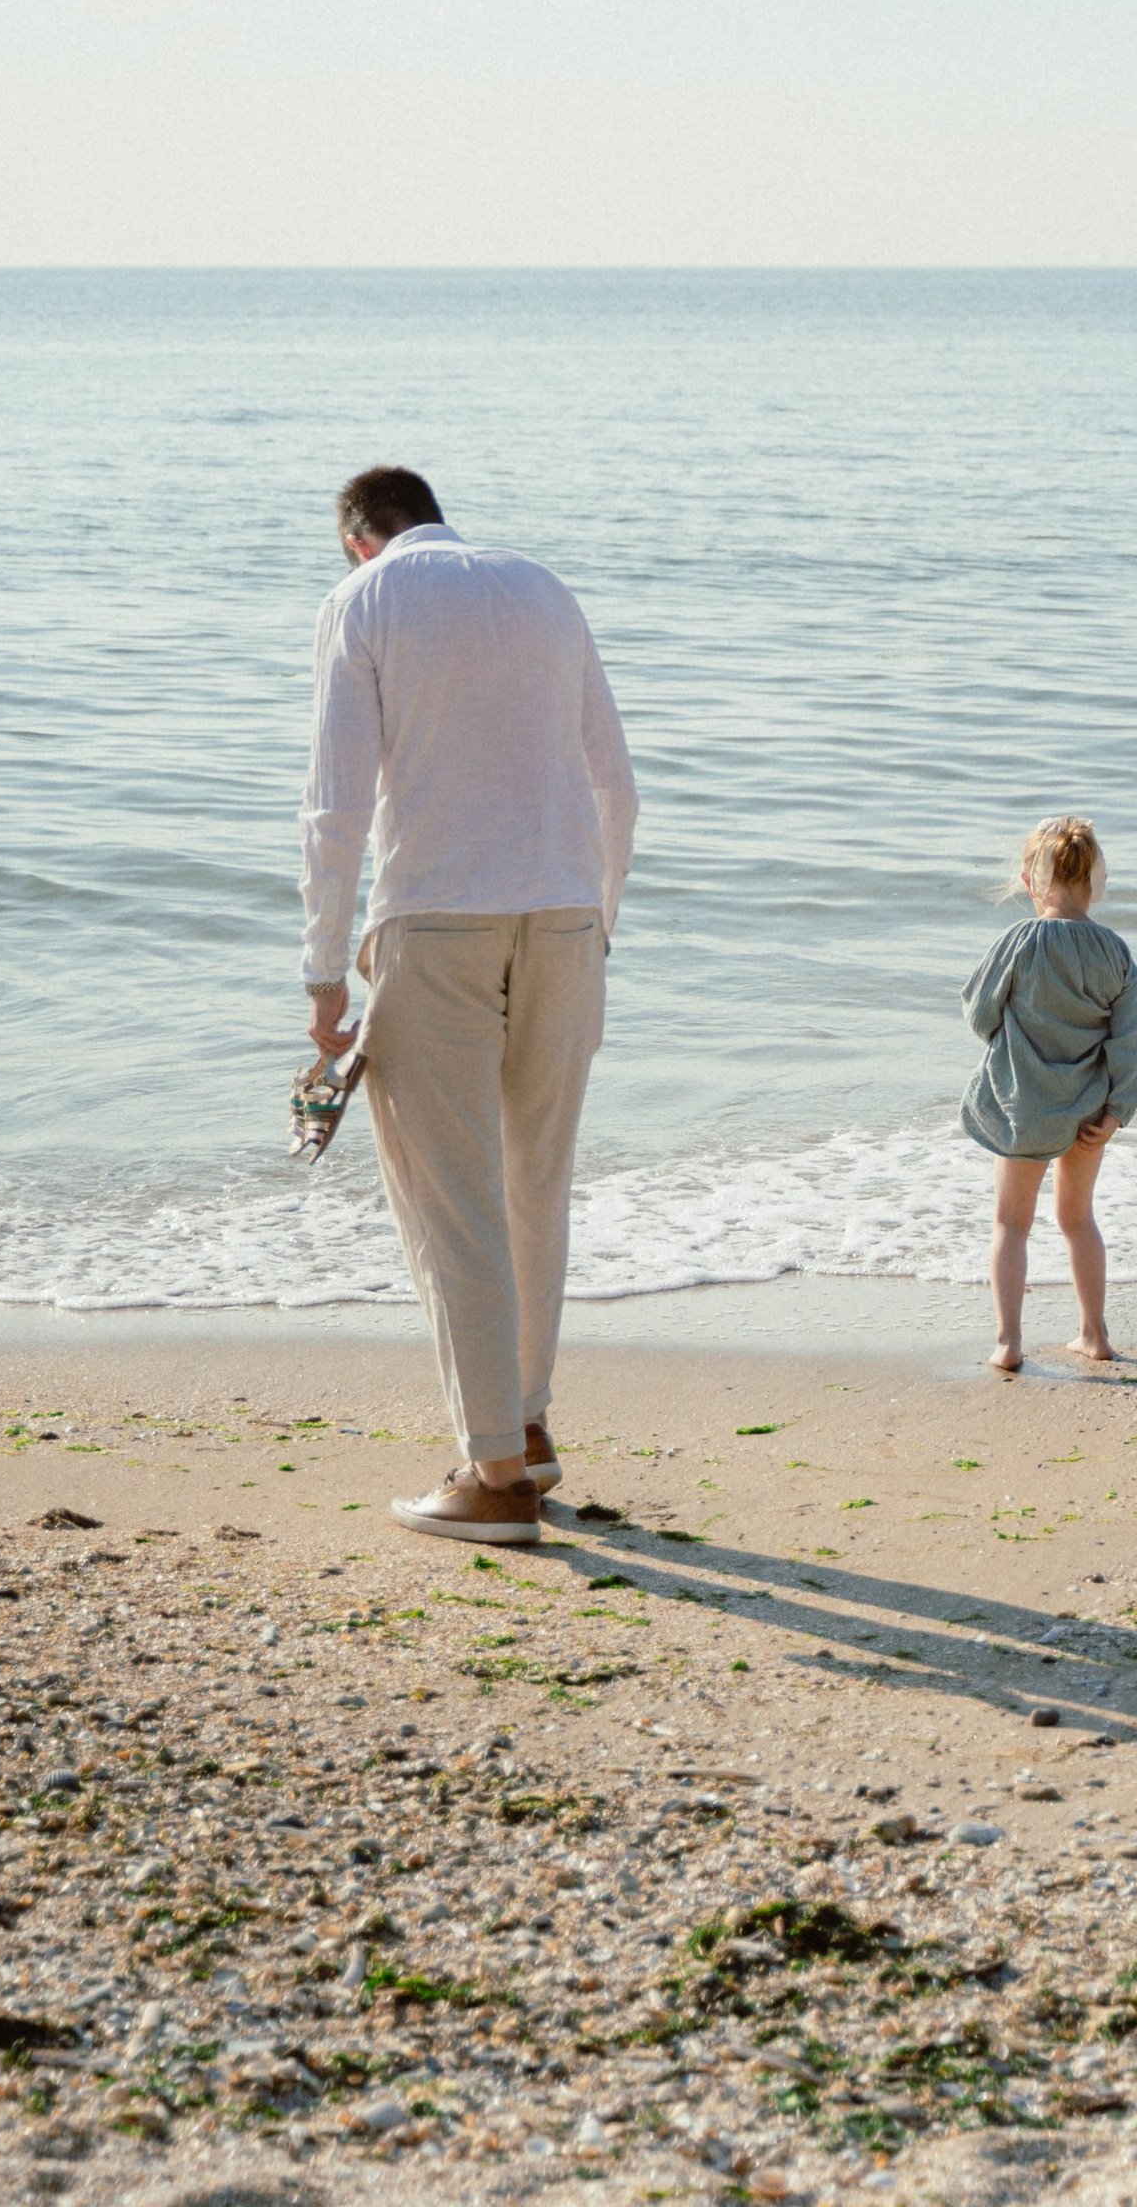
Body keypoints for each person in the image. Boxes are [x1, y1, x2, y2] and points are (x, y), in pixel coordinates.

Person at [300, 465, 637, 1545]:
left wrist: (320, 972)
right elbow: (614, 784)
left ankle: (491, 1474)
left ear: (358, 539)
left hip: (438, 917)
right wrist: (598, 926)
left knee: (451, 1196)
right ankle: (527, 1432)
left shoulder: (366, 601)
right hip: (566, 917)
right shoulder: (543, 587)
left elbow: (335, 801)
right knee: (534, 1177)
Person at [960, 815, 1137, 1375]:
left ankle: (1009, 1342)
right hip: (1089, 1108)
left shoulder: (1019, 941)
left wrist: (1015, 1035)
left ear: (1029, 882)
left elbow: (979, 1014)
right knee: (1078, 1219)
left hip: (1023, 1106)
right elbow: (1126, 1042)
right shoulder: (1114, 951)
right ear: (1094, 882)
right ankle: (1094, 1334)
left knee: (1011, 1224)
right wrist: (1116, 1112)